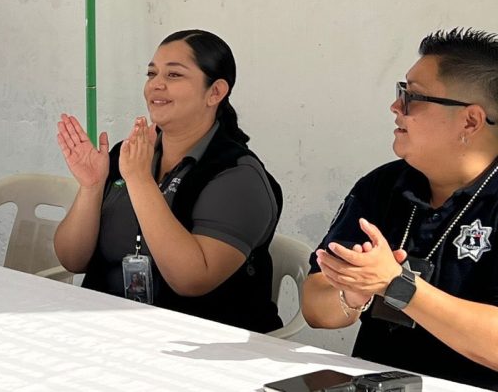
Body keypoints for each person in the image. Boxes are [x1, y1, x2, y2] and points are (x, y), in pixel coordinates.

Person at [303, 28, 498, 389]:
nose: (395, 107)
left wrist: (397, 285)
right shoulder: (384, 185)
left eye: (412, 97)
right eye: (400, 92)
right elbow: (315, 306)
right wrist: (352, 294)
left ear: (470, 121)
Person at [54, 29, 283, 332]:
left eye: (174, 75)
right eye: (152, 74)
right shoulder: (130, 154)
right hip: (108, 329)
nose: (156, 85)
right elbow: (72, 259)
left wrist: (140, 181)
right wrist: (92, 187)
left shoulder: (239, 177)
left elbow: (192, 280)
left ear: (215, 92)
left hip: (198, 344)